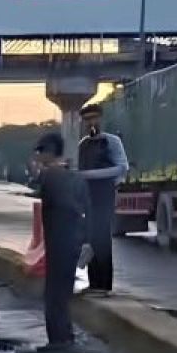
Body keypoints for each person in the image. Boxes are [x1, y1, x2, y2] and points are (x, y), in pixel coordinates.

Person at [34, 132, 90, 353]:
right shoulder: (76, 178)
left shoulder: (50, 177)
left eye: (40, 152)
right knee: (63, 296)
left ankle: (58, 346)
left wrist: (38, 172)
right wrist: (87, 241)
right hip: (75, 242)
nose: (37, 157)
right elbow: (89, 210)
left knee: (54, 298)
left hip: (59, 243)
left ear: (48, 153)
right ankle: (66, 340)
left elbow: (42, 185)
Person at [77, 103, 129, 294]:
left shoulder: (111, 141)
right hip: (87, 196)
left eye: (94, 118)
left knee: (102, 238)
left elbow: (122, 167)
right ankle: (94, 284)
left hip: (104, 194)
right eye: (87, 119)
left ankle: (104, 285)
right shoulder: (83, 144)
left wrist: (91, 175)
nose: (91, 122)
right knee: (90, 237)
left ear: (101, 119)